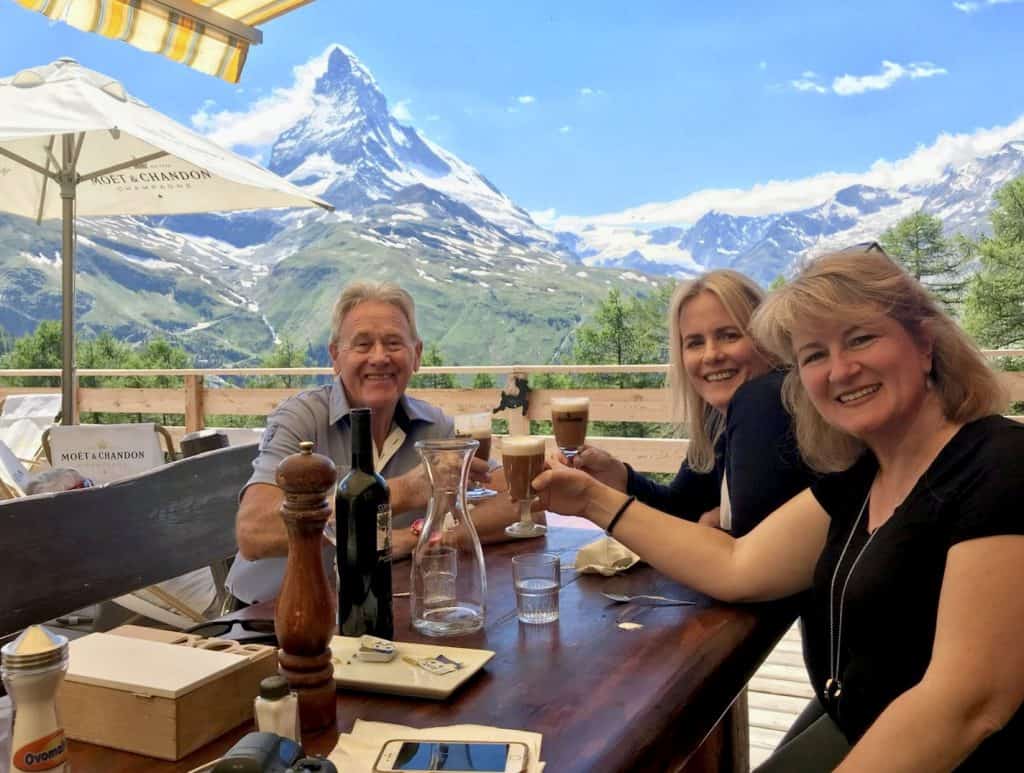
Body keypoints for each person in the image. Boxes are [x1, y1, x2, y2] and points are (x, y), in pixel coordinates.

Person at [534, 244, 1024, 771]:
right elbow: (737, 565)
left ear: (925, 343)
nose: (841, 369)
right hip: (858, 716)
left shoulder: (1000, 463)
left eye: (860, 338)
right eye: (815, 355)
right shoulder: (863, 478)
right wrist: (590, 498)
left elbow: (968, 707)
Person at [229, 280, 525, 605]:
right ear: (335, 357)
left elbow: (519, 503)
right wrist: (403, 492)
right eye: (363, 345)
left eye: (394, 343)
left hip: (379, 614)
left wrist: (419, 538)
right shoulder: (302, 419)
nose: (380, 357)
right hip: (270, 619)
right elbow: (253, 532)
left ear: (417, 356)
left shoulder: (435, 426)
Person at [568, 269, 815, 537]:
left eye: (729, 335)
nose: (711, 355)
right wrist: (620, 477)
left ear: (766, 339)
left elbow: (751, 558)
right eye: (695, 343)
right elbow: (682, 509)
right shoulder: (717, 421)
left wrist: (592, 501)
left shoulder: (765, 401)